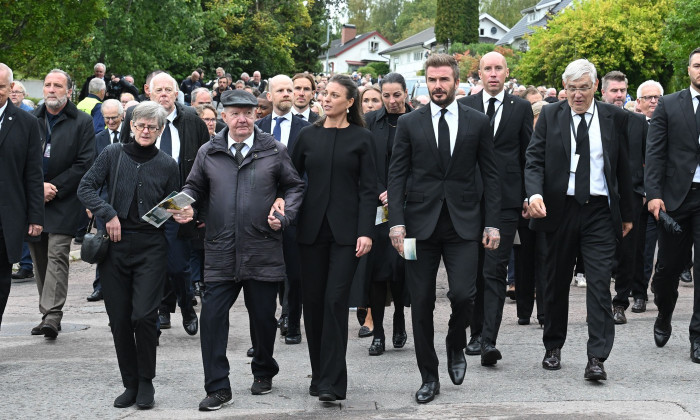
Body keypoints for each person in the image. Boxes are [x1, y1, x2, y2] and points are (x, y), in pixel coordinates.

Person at [170, 90, 304, 410]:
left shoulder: (274, 149)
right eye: (234, 113)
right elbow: (192, 187)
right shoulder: (209, 151)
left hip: (262, 246)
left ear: (257, 114)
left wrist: (284, 213)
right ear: (224, 117)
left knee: (262, 317)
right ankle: (218, 387)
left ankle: (263, 369)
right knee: (213, 318)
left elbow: (295, 186)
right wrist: (179, 208)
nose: (241, 118)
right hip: (219, 248)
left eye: (247, 112)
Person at [387, 53, 501, 404]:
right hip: (417, 227)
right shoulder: (409, 123)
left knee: (464, 295)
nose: (438, 86)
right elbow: (396, 174)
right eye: (432, 80)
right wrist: (396, 222)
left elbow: (493, 175)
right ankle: (429, 377)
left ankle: (455, 344)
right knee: (420, 303)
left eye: (444, 80)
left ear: (457, 82)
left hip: (464, 224)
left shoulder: (477, 122)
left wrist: (493, 222)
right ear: (426, 82)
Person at [525, 59, 634, 380]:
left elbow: (624, 168)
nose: (577, 95)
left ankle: (596, 357)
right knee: (556, 281)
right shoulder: (550, 116)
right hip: (560, 210)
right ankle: (553, 346)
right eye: (571, 89)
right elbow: (533, 159)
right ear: (565, 89)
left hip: (599, 211)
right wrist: (533, 194)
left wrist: (627, 214)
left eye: (583, 88)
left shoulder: (615, 118)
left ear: (595, 87)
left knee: (599, 284)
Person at [78, 101, 180, 409]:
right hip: (115, 247)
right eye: (140, 125)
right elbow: (86, 188)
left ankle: (146, 381)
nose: (146, 131)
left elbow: (173, 205)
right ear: (131, 126)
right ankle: (130, 383)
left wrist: (181, 212)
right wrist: (107, 213)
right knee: (119, 319)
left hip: (152, 246)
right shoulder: (112, 154)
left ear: (161, 130)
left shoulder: (167, 165)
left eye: (152, 127)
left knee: (145, 317)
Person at [291, 74, 377, 401]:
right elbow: (290, 177)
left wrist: (366, 231)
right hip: (310, 232)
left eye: (334, 95)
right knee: (312, 304)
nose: (326, 99)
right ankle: (319, 374)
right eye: (324, 94)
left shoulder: (363, 139)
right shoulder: (306, 136)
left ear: (350, 102)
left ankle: (332, 383)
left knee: (335, 301)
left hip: (348, 235)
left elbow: (370, 190)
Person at [120, 72, 210, 336]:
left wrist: (201, 207)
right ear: (149, 92)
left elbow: (208, 163)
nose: (163, 94)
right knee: (151, 262)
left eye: (168, 90)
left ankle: (186, 305)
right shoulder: (135, 118)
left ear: (176, 93)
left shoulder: (192, 120)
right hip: (145, 203)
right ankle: (158, 311)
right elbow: (125, 157)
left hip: (180, 202)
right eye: (158, 90)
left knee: (178, 264)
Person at [458, 51, 533, 365]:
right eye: (487, 68)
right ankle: (474, 333)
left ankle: (488, 340)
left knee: (495, 270)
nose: (492, 73)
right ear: (478, 73)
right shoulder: (465, 107)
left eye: (497, 68)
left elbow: (529, 155)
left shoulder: (521, 107)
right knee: (472, 271)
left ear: (506, 72)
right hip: (468, 200)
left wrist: (530, 195)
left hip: (506, 201)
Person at [30, 69, 95, 338]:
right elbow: (20, 159)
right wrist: (37, 188)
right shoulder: (31, 119)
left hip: (64, 199)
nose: (51, 90)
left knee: (57, 253)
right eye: (47, 85)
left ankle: (53, 314)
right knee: (39, 257)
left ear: (69, 91)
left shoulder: (82, 121)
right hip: (34, 198)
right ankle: (47, 312)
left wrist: (54, 188)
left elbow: (85, 162)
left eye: (58, 85)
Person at [645, 47, 700, 364]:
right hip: (675, 199)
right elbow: (655, 153)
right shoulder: (668, 104)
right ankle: (664, 310)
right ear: (689, 69)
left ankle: (697, 336)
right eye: (697, 65)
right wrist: (653, 194)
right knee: (666, 271)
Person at [256, 75, 310, 346]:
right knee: (267, 270)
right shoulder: (258, 127)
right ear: (270, 95)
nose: (288, 94)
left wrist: (293, 204)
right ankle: (272, 320)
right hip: (261, 209)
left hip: (294, 209)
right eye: (281, 90)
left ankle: (292, 320)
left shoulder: (308, 127)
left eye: (291, 89)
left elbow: (308, 171)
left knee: (294, 269)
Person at [362, 72, 412, 356]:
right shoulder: (371, 122)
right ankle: (378, 332)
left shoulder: (418, 119)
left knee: (405, 267)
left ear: (405, 93)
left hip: (412, 208)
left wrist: (400, 193)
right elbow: (365, 163)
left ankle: (400, 320)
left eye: (397, 95)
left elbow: (425, 163)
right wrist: (384, 191)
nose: (392, 101)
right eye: (386, 96)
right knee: (378, 273)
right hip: (378, 208)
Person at [600, 70, 648, 325]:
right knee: (600, 255)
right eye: (614, 91)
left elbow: (648, 160)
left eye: (622, 91)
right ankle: (599, 304)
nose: (619, 95)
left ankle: (620, 303)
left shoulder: (638, 122)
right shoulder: (593, 120)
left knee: (629, 253)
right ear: (603, 92)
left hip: (631, 199)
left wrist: (643, 193)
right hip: (599, 198)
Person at [0, 63, 44, 329]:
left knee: (2, 283)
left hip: (7, 218)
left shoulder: (26, 123)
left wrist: (35, 216)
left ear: (11, 88)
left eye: (1, 87)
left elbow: (33, 172)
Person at [86, 99, 124, 302]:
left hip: (126, 199)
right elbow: (90, 172)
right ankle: (100, 286)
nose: (110, 121)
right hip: (102, 199)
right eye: (106, 118)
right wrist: (90, 203)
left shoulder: (131, 136)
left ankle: (122, 284)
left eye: (114, 117)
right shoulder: (98, 139)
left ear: (122, 116)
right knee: (102, 241)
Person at [633, 79, 665, 313]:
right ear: (639, 102)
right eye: (648, 98)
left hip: (666, 197)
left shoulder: (670, 124)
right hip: (638, 197)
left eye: (657, 97)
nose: (653, 101)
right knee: (642, 249)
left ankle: (660, 287)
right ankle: (639, 293)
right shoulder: (633, 125)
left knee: (667, 250)